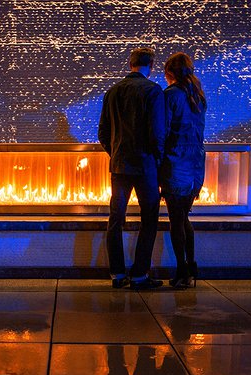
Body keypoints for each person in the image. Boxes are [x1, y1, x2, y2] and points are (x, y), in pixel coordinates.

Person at [98, 47, 166, 290]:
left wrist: (115, 153)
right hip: (145, 165)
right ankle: (139, 274)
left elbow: (103, 133)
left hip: (119, 165)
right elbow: (158, 133)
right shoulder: (153, 91)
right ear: (151, 66)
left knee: (116, 218)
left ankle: (117, 273)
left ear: (130, 64)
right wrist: (157, 160)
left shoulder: (112, 92)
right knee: (149, 218)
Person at [160, 52, 207, 288]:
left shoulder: (170, 95)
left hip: (176, 164)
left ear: (170, 73)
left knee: (176, 220)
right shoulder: (198, 96)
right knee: (184, 217)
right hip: (196, 165)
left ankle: (182, 271)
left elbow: (163, 131)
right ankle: (191, 267)